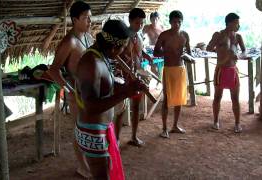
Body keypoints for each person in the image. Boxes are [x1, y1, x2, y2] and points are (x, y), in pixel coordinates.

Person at [74, 19, 146, 180]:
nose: (122, 52)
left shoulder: (102, 56)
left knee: (107, 171)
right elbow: (90, 107)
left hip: (100, 128)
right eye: (122, 48)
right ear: (115, 47)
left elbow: (105, 88)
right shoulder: (91, 63)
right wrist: (126, 93)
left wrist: (129, 86)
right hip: (92, 132)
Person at [42, 1, 93, 178]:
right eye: (86, 18)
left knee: (89, 128)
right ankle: (82, 166)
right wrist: (69, 89)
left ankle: (89, 162)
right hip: (76, 91)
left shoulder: (88, 37)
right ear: (75, 19)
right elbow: (53, 70)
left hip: (90, 91)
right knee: (79, 129)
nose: (90, 22)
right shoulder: (69, 42)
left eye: (90, 17)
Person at [206, 12, 246, 133]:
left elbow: (244, 51)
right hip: (221, 69)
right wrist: (218, 48)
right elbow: (208, 48)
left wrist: (239, 55)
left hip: (233, 70)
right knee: (218, 97)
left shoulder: (238, 37)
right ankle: (216, 122)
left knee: (235, 98)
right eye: (237, 23)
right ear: (230, 23)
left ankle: (237, 124)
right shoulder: (218, 34)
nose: (238, 26)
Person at [153, 10, 191, 138]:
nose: (177, 24)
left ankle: (175, 125)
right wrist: (166, 53)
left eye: (179, 22)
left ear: (182, 22)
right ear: (170, 22)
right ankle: (164, 128)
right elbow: (155, 52)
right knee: (167, 99)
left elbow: (189, 53)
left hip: (180, 69)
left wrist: (186, 56)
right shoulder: (164, 35)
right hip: (168, 69)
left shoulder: (185, 35)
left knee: (179, 98)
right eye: (174, 22)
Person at [118, 8, 153, 147]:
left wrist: (145, 55)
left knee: (136, 105)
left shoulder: (138, 36)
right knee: (120, 108)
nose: (140, 25)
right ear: (130, 21)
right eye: (137, 22)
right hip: (124, 76)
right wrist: (127, 65)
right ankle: (116, 140)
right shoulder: (123, 36)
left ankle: (133, 136)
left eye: (142, 23)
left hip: (136, 74)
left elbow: (139, 50)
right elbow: (117, 55)